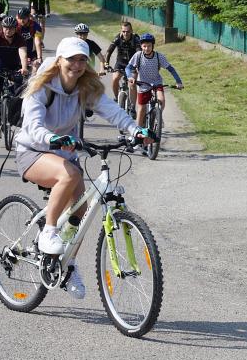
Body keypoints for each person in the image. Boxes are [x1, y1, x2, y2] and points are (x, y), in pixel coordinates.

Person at [15, 37, 153, 298]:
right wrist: (52, 138)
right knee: (69, 174)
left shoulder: (85, 87)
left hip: (63, 150)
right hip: (33, 150)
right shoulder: (42, 87)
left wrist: (135, 130)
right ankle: (48, 233)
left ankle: (67, 266)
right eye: (71, 60)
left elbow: (112, 111)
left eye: (82, 60)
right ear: (59, 61)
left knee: (81, 209)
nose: (77, 65)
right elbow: (32, 126)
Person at [125, 33, 183, 150]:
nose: (147, 48)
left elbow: (170, 69)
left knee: (161, 99)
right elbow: (128, 67)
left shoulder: (158, 56)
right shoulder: (138, 55)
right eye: (144, 46)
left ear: (153, 46)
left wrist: (178, 81)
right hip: (143, 84)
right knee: (141, 109)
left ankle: (158, 116)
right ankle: (136, 133)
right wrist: (130, 77)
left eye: (149, 46)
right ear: (141, 46)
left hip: (157, 83)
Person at [0, 16, 29, 141]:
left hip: (14, 70)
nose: (8, 30)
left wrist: (24, 68)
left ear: (15, 29)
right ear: (2, 28)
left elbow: (23, 54)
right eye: (6, 28)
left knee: (21, 94)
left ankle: (17, 119)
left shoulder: (19, 39)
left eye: (11, 28)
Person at [104, 21, 140, 100]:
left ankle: (132, 105)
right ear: (121, 31)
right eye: (123, 31)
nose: (125, 33)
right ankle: (117, 99)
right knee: (115, 79)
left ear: (131, 31)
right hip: (120, 63)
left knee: (132, 84)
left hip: (132, 64)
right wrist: (106, 64)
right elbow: (109, 51)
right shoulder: (118, 38)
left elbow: (139, 52)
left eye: (128, 31)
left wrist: (138, 65)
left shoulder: (136, 39)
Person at [17, 8, 44, 73]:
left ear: (28, 17)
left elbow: (37, 42)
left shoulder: (36, 26)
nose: (22, 20)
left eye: (24, 18)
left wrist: (39, 57)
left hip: (32, 52)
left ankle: (32, 78)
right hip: (18, 52)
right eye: (20, 18)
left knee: (36, 67)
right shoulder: (15, 25)